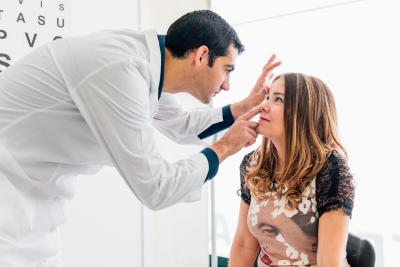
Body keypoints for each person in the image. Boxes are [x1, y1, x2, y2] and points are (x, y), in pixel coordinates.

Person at [0, 10, 281, 266]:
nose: (227, 84)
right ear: (201, 55)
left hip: (32, 203)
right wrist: (223, 149)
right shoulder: (121, 70)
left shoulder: (146, 66)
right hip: (9, 199)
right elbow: (155, 187)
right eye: (227, 69)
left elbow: (181, 125)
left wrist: (242, 108)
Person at [229, 73, 355, 267]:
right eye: (268, 97)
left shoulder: (330, 169)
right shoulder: (253, 163)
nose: (264, 106)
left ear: (303, 112)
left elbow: (330, 262)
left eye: (278, 99)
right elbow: (244, 245)